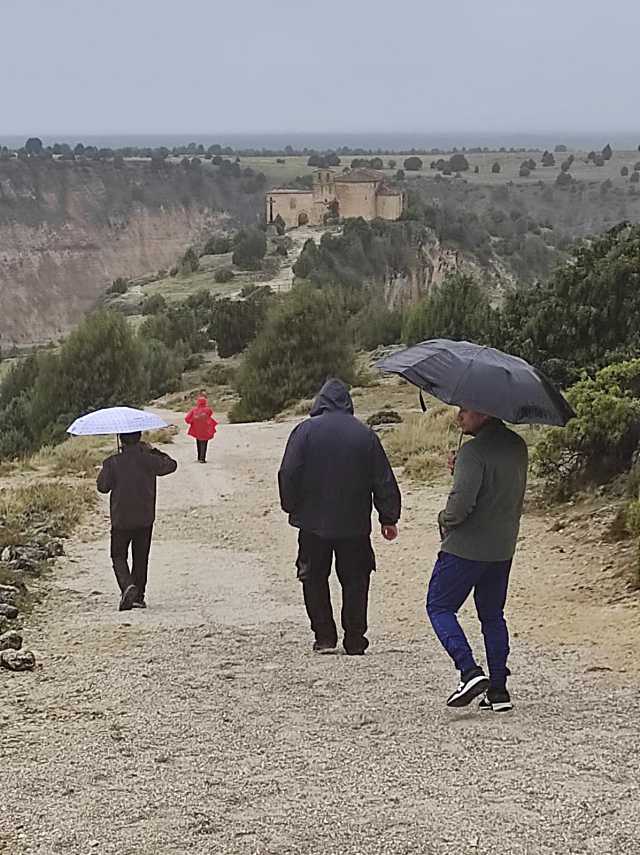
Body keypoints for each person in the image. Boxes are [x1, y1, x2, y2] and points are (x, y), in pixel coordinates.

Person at [278, 378, 401, 656]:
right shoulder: (365, 434)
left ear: (319, 402)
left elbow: (289, 472)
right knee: (356, 579)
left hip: (312, 523)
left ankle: (324, 637)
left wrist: (291, 506)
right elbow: (383, 479)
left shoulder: (304, 431)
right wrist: (388, 517)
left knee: (313, 577)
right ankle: (355, 639)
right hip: (354, 524)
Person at [426, 408, 528, 712]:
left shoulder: (473, 452)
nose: (459, 417)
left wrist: (443, 518)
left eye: (465, 411)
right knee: (492, 615)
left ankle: (469, 671)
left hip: (465, 548)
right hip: (502, 546)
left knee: (439, 606)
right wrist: (461, 469)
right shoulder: (517, 445)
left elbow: (459, 508)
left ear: (483, 413)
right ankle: (498, 690)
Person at [97, 432, 178, 611]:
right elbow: (171, 465)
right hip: (145, 517)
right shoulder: (149, 459)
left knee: (118, 555)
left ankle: (127, 586)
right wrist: (154, 451)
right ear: (139, 437)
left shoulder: (113, 462)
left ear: (121, 439)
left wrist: (108, 466)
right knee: (141, 557)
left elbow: (102, 487)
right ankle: (138, 597)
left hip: (121, 518)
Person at [185, 394, 218, 463]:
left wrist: (192, 421)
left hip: (196, 430)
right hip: (206, 430)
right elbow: (210, 414)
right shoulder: (208, 410)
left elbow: (187, 418)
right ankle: (202, 458)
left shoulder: (194, 410)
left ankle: (199, 457)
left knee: (198, 442)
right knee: (204, 443)